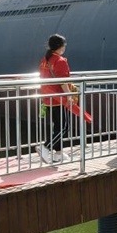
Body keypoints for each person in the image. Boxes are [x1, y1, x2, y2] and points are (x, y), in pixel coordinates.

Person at [37, 34, 77, 164]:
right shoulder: (60, 61)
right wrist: (69, 96)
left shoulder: (45, 60)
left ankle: (58, 154)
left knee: (57, 126)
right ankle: (46, 147)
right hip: (58, 99)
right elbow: (63, 82)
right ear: (61, 47)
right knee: (64, 127)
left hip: (47, 98)